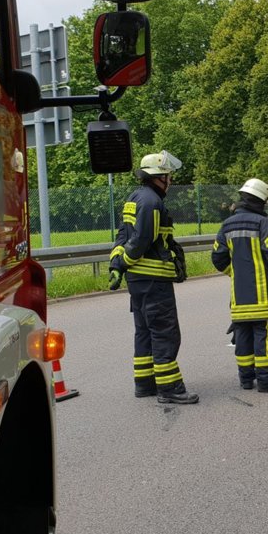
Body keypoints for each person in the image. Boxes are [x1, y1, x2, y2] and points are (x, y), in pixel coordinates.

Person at [109, 151, 197, 404]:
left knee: (144, 331)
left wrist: (117, 265)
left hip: (138, 281)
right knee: (165, 332)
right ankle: (170, 388)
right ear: (160, 177)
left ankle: (145, 383)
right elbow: (141, 240)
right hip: (153, 279)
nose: (170, 180)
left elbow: (123, 236)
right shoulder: (152, 202)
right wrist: (123, 263)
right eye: (168, 176)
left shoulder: (135, 198)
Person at [212, 179, 268, 392]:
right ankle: (267, 380)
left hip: (239, 298)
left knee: (243, 337)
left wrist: (235, 273)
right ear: (260, 201)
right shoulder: (262, 223)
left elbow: (218, 258)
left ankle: (246, 379)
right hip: (262, 297)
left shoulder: (227, 225)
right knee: (264, 337)